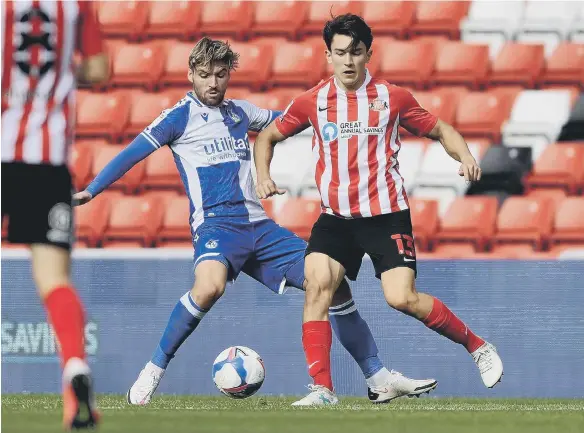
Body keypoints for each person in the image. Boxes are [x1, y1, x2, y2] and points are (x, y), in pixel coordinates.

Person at [73, 37, 437, 407]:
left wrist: (339, 118)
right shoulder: (177, 117)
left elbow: (289, 122)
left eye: (219, 75)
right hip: (217, 226)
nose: (212, 83)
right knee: (210, 287)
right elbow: (132, 153)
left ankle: (377, 377)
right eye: (204, 76)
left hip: (259, 229)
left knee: (332, 281)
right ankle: (154, 368)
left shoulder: (241, 113)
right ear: (190, 75)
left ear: (229, 74)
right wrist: (92, 189)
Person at [254, 14, 504, 406]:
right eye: (340, 53)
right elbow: (267, 136)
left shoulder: (392, 97)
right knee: (318, 285)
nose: (348, 61)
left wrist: (466, 156)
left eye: (356, 52)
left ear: (369, 53)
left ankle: (478, 346)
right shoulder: (312, 101)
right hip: (336, 219)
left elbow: (441, 130)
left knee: (401, 298)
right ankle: (322, 389)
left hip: (386, 215)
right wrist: (263, 176)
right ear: (328, 55)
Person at [1, 0, 108, 429]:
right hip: (46, 163)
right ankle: (75, 368)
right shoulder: (75, 4)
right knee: (54, 280)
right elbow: (99, 69)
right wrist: (61, 76)